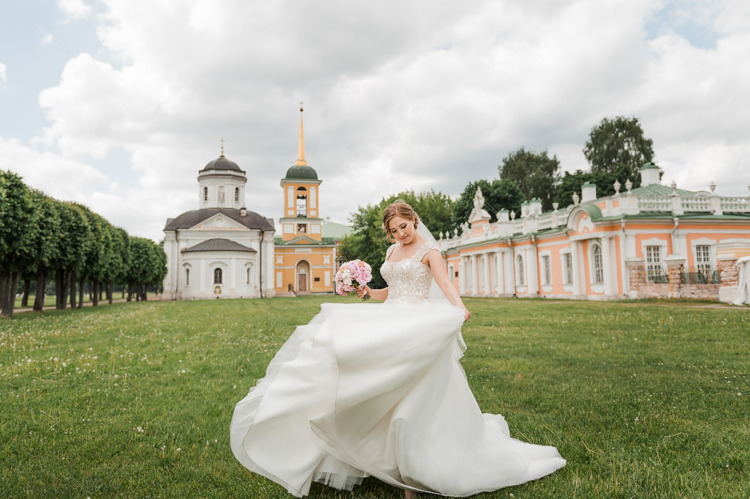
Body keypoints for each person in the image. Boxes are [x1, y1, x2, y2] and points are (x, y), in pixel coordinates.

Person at [230, 201, 566, 498]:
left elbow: (445, 284)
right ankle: (375, 456)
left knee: (411, 395)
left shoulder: (429, 252)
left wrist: (459, 307)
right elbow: (389, 291)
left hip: (418, 322)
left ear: (414, 220)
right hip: (392, 317)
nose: (399, 234)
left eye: (403, 227)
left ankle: (413, 472)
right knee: (362, 375)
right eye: (393, 231)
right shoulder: (392, 253)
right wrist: (365, 292)